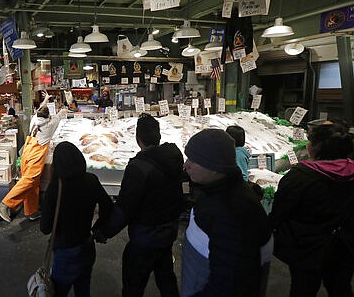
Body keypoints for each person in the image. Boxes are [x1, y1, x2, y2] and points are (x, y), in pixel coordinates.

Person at [95, 113, 185, 297]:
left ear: (138, 139)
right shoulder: (174, 157)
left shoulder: (138, 167)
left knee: (133, 287)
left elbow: (125, 207)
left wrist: (106, 231)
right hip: (167, 234)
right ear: (158, 137)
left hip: (145, 238)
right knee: (167, 280)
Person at [181, 129, 272, 297]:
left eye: (194, 160)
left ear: (215, 166)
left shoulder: (232, 215)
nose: (186, 165)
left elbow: (230, 286)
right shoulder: (214, 189)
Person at [269, 122, 354, 297]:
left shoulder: (300, 176)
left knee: (303, 289)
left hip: (306, 248)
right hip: (346, 245)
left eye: (310, 141)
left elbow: (279, 212)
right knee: (341, 287)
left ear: (316, 147)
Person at [40, 142, 113, 297]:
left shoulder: (55, 188)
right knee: (83, 289)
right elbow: (108, 206)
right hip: (86, 245)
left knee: (58, 291)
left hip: (65, 251)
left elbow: (45, 228)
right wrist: (96, 228)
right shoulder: (91, 180)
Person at [0, 91, 68, 222]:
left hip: (27, 152)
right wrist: (67, 101)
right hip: (36, 155)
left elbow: (41, 109)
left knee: (33, 185)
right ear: (48, 117)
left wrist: (45, 100)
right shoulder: (50, 125)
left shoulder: (35, 119)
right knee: (29, 181)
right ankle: (4, 204)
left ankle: (31, 212)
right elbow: (63, 112)